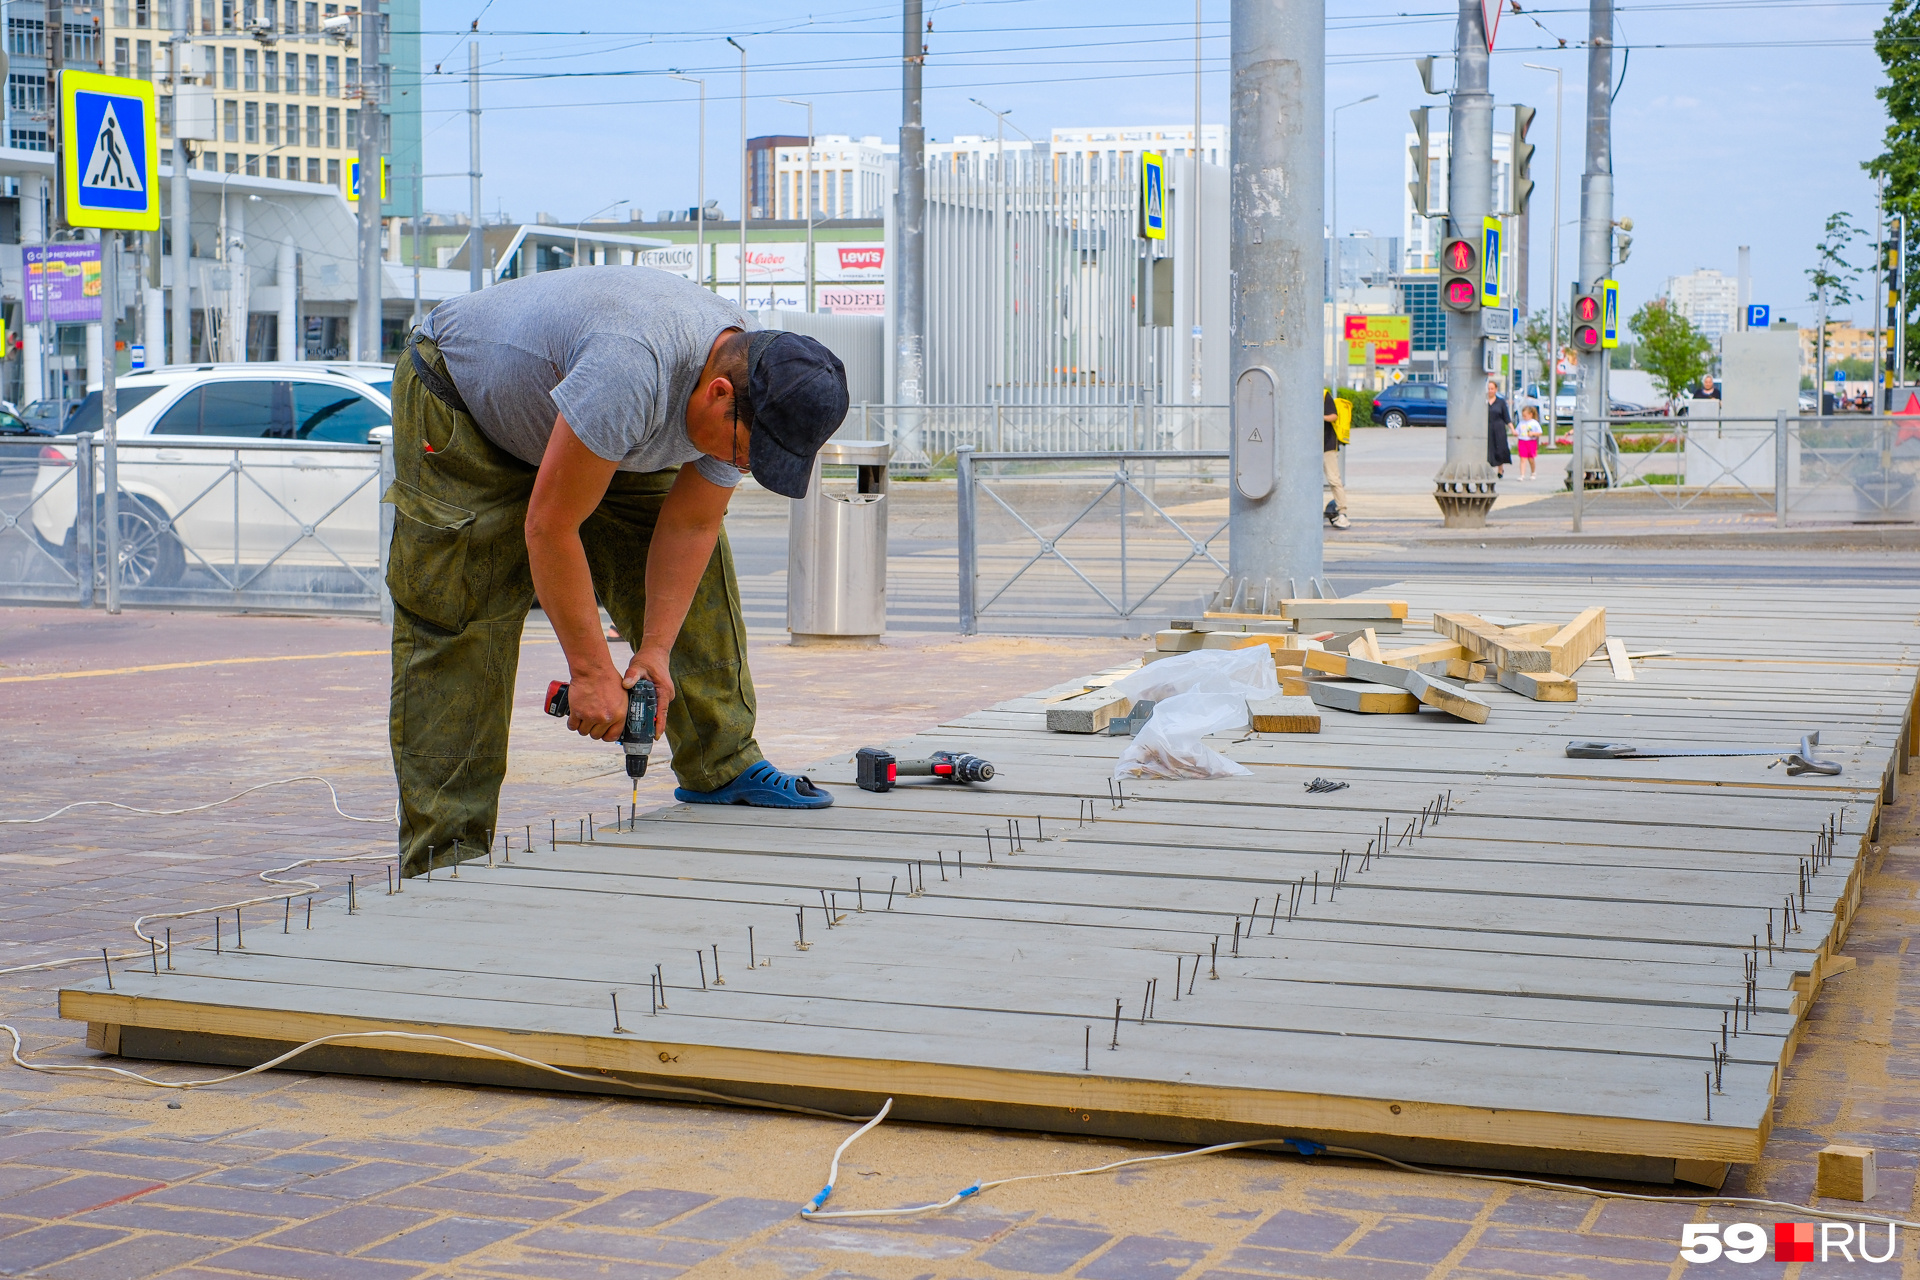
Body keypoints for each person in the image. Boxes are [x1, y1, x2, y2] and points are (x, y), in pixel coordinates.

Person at [385, 267, 850, 878]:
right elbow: (550, 527)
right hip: (466, 406)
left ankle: (722, 764)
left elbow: (691, 528)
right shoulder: (631, 369)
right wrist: (590, 671)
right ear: (716, 393)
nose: (744, 465)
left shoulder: (756, 378)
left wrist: (653, 654)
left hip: (600, 421)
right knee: (460, 620)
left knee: (696, 588)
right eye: (746, 451)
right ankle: (447, 857)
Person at [1322, 388, 1350, 529]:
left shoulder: (1324, 394)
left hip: (1327, 445)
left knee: (1333, 479)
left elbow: (1333, 416)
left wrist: (1319, 417)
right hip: (1308, 448)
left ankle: (1342, 514)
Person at [1485, 379, 1513, 478]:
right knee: (1488, 448)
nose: (1490, 390)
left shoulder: (1500, 402)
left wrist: (1512, 429)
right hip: (1487, 428)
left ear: (1496, 389)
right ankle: (1488, 469)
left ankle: (1500, 469)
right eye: (1488, 388)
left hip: (1499, 428)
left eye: (1492, 388)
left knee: (1500, 449)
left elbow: (1506, 417)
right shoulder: (1483, 401)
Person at [1514, 405, 1543, 480]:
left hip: (1531, 442)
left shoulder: (1534, 423)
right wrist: (1516, 433)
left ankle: (1533, 472)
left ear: (1530, 415)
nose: (1524, 417)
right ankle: (1522, 475)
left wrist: (1533, 433)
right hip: (1522, 441)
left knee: (1531, 458)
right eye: (1523, 416)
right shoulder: (1521, 423)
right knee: (1523, 458)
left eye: (1525, 416)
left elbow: (1540, 432)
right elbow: (1517, 430)